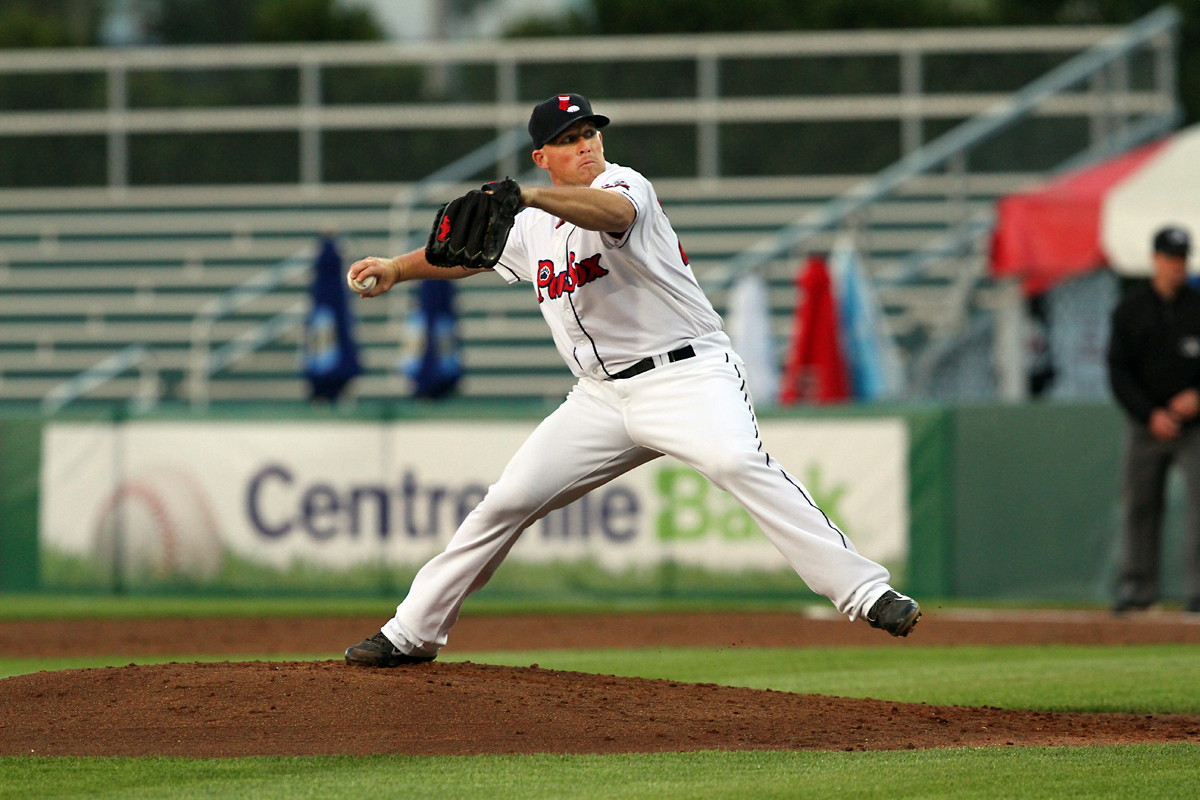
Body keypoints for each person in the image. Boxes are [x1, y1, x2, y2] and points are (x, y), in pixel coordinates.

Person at [343, 93, 920, 667]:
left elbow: (613, 215)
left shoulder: (625, 185)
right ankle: (411, 633)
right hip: (599, 397)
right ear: (542, 156)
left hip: (686, 376)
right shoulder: (532, 225)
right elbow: (467, 253)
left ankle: (866, 591)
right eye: (568, 139)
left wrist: (530, 196)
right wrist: (396, 268)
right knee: (507, 501)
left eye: (589, 132)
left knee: (735, 461)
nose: (585, 145)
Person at [1108, 225, 1200, 615]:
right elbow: (1118, 371)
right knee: (1140, 506)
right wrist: (1149, 413)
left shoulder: (1197, 306)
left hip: (1194, 426)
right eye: (1170, 258)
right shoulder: (1132, 310)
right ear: (1155, 259)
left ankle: (1197, 591)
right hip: (1147, 425)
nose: (1176, 265)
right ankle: (1138, 588)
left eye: (1182, 258)